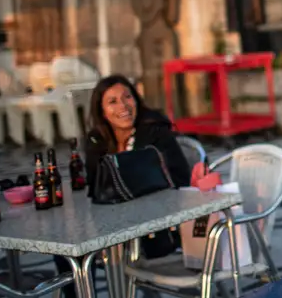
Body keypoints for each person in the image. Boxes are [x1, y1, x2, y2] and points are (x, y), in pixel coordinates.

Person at [54, 75, 190, 296]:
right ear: (102, 111)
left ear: (136, 99)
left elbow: (180, 180)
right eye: (113, 101)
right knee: (67, 247)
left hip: (156, 227)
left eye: (127, 97)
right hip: (111, 224)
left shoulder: (155, 132)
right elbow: (94, 187)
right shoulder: (97, 140)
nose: (123, 106)